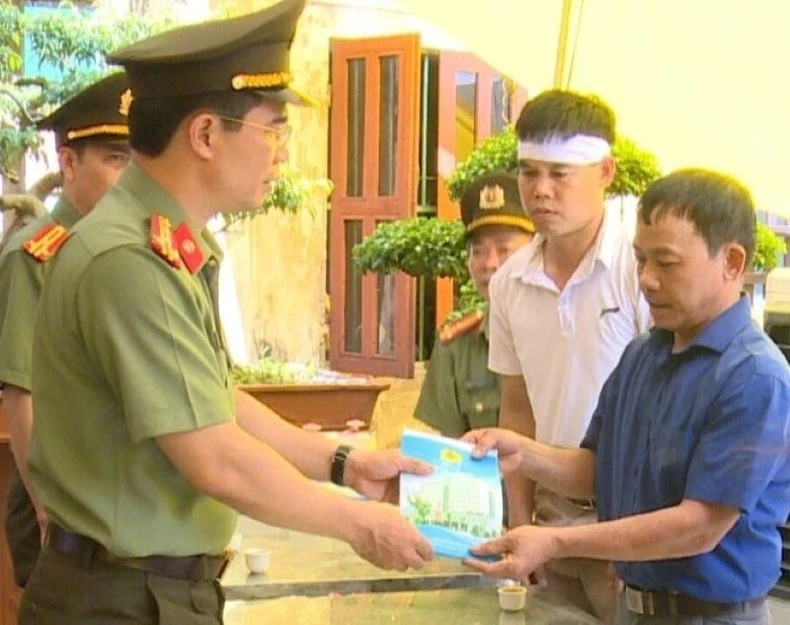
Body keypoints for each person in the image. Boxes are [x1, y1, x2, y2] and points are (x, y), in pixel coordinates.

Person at [21, 1, 432, 623]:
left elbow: (210, 397)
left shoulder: (167, 242)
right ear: (207, 134)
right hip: (118, 599)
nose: (283, 155)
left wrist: (344, 464)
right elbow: (214, 457)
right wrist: (358, 524)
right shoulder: (130, 260)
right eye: (273, 131)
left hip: (147, 592)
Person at [464, 168, 790, 625]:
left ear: (732, 263)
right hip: (632, 608)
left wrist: (557, 541)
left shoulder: (755, 377)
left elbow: (697, 527)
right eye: (639, 260)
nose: (647, 280)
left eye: (667, 262)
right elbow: (598, 470)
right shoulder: (642, 353)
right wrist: (523, 453)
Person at [487, 89, 651, 621]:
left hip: (628, 518)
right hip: (550, 522)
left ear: (605, 171)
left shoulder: (640, 268)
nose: (541, 191)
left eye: (561, 174)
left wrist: (632, 534)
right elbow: (516, 408)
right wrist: (519, 519)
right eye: (529, 172)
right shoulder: (510, 281)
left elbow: (666, 410)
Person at [0, 71, 131, 588]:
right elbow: (20, 393)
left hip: (115, 497)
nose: (128, 177)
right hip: (57, 499)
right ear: (69, 162)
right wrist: (44, 506)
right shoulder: (37, 254)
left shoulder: (125, 248)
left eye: (134, 160)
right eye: (114, 160)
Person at [414, 173, 534, 438]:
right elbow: (447, 450)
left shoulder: (566, 334)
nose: (489, 264)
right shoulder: (457, 344)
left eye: (504, 250)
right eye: (478, 251)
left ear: (537, 251)